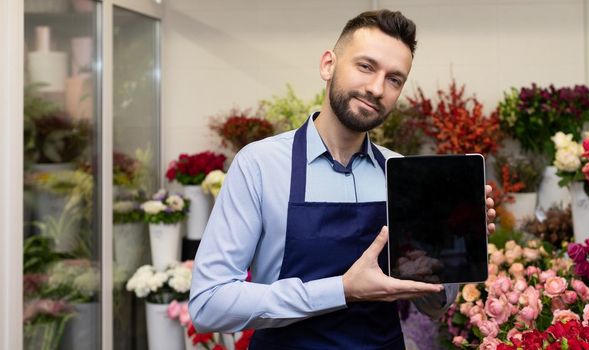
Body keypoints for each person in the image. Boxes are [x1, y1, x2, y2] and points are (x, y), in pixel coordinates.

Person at [189, 9, 496, 349]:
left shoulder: (402, 173)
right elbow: (209, 304)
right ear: (328, 65)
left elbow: (434, 307)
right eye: (365, 66)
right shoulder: (260, 165)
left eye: (394, 79)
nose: (377, 88)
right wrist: (342, 290)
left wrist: (454, 252)